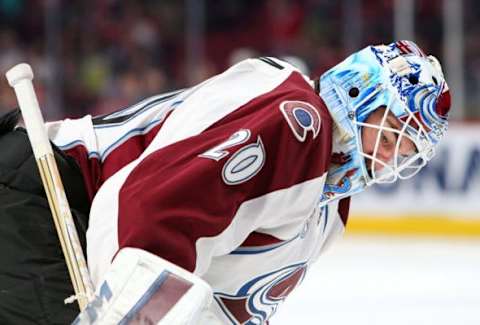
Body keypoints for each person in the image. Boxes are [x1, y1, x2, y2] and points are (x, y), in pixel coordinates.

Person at [0, 40, 450, 324]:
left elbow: (218, 306)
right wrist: (125, 313)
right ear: (356, 93)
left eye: (405, 153)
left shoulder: (327, 211)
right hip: (46, 195)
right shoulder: (298, 121)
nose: (389, 158)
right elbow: (149, 207)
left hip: (70, 226)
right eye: (390, 135)